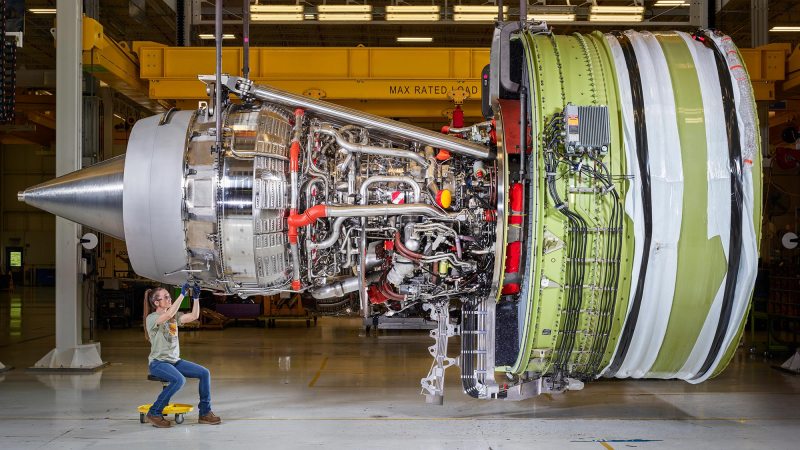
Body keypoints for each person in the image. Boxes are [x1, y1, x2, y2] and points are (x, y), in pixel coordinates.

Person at [142, 283, 221, 428]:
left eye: (169, 296)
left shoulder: (173, 317)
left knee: (204, 373)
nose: (169, 299)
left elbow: (194, 316)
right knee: (179, 380)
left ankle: (205, 413)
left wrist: (196, 298)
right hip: (159, 363)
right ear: (156, 303)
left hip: (174, 361)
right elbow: (168, 314)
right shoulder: (152, 318)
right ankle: (154, 412)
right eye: (165, 297)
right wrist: (182, 294)